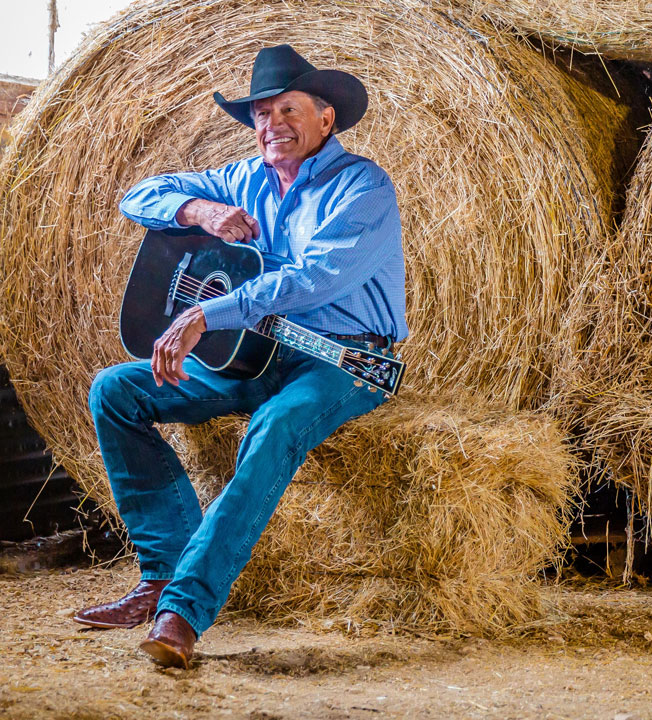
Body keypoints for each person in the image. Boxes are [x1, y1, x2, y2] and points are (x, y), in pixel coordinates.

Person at [74, 44, 408, 669]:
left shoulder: (363, 187)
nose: (271, 125)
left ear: (326, 119)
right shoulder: (242, 179)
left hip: (342, 361)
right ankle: (160, 574)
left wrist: (206, 314)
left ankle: (182, 613)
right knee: (116, 391)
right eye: (261, 112)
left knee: (275, 425)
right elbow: (140, 195)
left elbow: (315, 279)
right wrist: (199, 209)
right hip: (251, 357)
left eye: (289, 109)